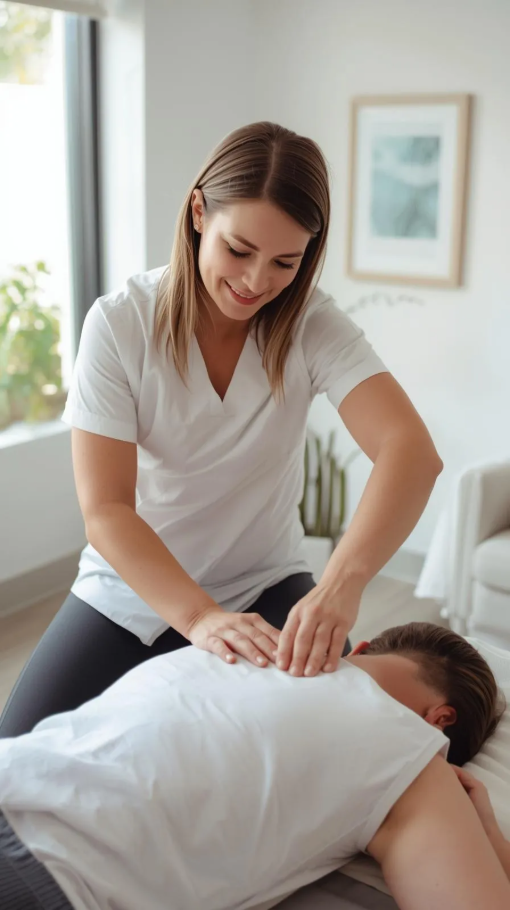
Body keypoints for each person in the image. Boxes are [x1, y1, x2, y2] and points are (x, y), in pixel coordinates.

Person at [0, 121, 443, 740]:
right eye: (240, 250)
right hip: (131, 587)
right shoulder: (121, 324)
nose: (257, 281)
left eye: (285, 261)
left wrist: (342, 584)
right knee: (16, 751)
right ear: (199, 213)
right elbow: (105, 508)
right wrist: (199, 617)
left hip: (265, 582)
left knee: (330, 748)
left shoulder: (313, 325)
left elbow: (410, 452)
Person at [0, 622, 508, 910]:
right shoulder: (413, 756)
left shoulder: (237, 641)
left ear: (361, 648)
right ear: (440, 721)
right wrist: (487, 832)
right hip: (55, 881)